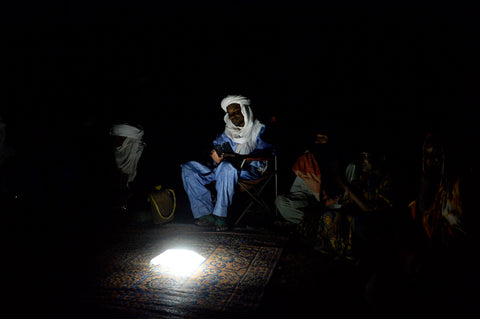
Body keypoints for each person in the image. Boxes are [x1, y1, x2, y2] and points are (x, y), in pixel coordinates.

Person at [181, 95, 274, 231]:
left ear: (245, 111)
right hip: (222, 168)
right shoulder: (228, 131)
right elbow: (218, 147)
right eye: (230, 114)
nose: (233, 117)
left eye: (236, 112)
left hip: (249, 170)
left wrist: (233, 157)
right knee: (188, 168)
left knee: (226, 167)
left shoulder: (260, 129)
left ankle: (220, 216)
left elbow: (265, 152)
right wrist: (215, 156)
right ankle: (205, 213)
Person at [274, 128, 343, 233]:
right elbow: (298, 192)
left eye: (322, 138)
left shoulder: (337, 161)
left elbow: (339, 192)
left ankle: (306, 223)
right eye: (317, 138)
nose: (317, 141)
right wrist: (308, 208)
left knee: (338, 210)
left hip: (326, 203)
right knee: (280, 202)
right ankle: (313, 222)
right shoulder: (306, 159)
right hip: (306, 202)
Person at [109, 123, 146, 210]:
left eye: (121, 138)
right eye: (115, 138)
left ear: (131, 142)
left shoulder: (143, 162)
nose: (117, 142)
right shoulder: (112, 164)